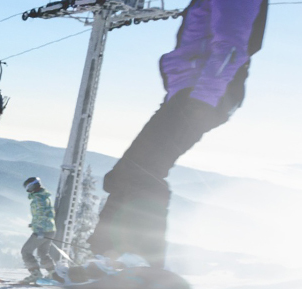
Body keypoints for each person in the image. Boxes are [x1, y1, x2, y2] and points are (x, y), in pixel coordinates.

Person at [88, 0, 269, 270]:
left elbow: (232, 45)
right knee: (126, 174)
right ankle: (105, 256)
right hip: (189, 93)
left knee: (143, 172)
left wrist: (202, 99)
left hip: (204, 95)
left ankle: (141, 261)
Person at [20, 177, 62, 284]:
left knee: (26, 251)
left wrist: (38, 228)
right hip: (50, 229)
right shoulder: (44, 196)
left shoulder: (38, 198)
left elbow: (41, 214)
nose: (28, 190)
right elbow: (47, 214)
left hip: (42, 230)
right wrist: (34, 224)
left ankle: (35, 273)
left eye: (29, 187)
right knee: (43, 253)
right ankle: (53, 273)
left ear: (35, 185)